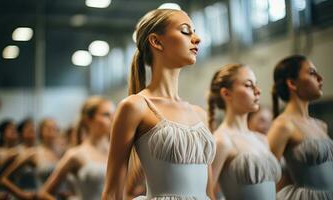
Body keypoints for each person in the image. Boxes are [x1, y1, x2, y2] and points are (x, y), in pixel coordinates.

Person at [102, 8, 216, 200]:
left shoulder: (199, 114)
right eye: (186, 31)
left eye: (194, 32)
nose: (197, 38)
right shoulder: (135, 106)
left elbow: (210, 193)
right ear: (156, 41)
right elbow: (112, 193)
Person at [208, 64, 281, 200]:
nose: (257, 91)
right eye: (248, 85)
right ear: (226, 93)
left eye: (256, 85)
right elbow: (207, 193)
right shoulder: (221, 141)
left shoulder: (262, 140)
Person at [267, 55, 333, 199]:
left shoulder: (321, 125)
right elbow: (267, 176)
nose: (320, 78)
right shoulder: (283, 125)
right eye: (311, 73)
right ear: (292, 83)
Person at [38, 96, 115, 200]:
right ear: (88, 120)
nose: (113, 118)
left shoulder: (117, 151)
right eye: (106, 114)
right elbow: (43, 193)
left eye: (114, 114)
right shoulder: (76, 154)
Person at [0, 118, 60, 199]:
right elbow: (4, 178)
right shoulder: (33, 153)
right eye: (48, 128)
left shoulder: (60, 153)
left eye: (54, 128)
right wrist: (21, 194)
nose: (52, 131)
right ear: (41, 132)